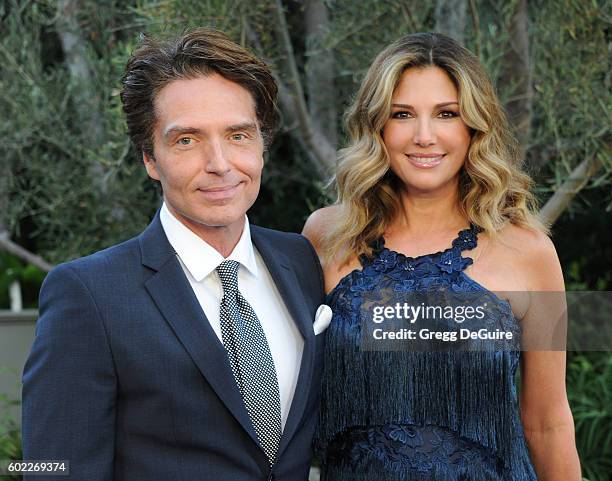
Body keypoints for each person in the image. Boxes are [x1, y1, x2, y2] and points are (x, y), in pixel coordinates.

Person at [22, 28, 325, 481]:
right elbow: (51, 470)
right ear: (150, 158)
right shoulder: (88, 295)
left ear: (262, 144)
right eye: (187, 140)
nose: (220, 163)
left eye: (238, 135)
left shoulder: (299, 260)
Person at [303, 32, 581, 480]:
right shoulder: (326, 236)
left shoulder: (529, 252)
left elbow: (547, 423)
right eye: (402, 115)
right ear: (377, 126)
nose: (424, 136)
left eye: (446, 114)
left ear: (473, 126)